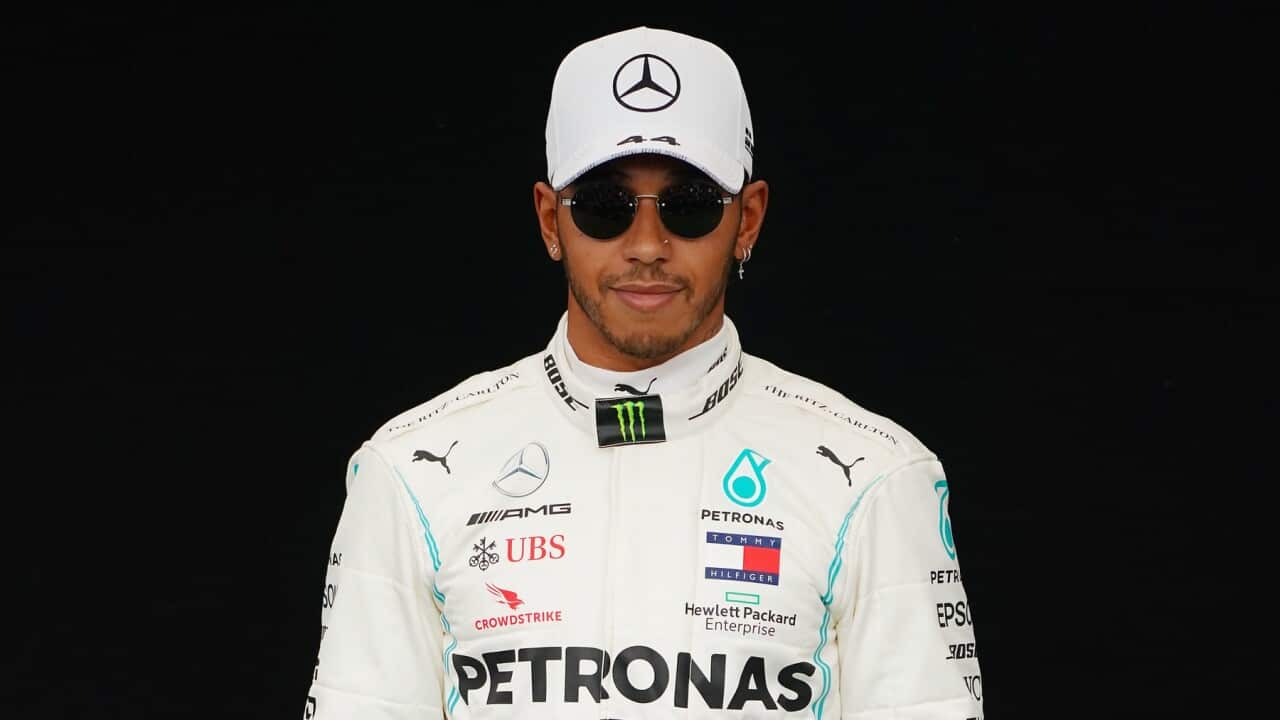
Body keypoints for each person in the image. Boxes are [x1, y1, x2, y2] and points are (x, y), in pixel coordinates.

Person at [303, 25, 983, 719]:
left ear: (747, 220)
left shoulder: (874, 477)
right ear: (549, 219)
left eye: (690, 205)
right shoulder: (410, 472)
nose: (648, 246)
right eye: (605, 207)